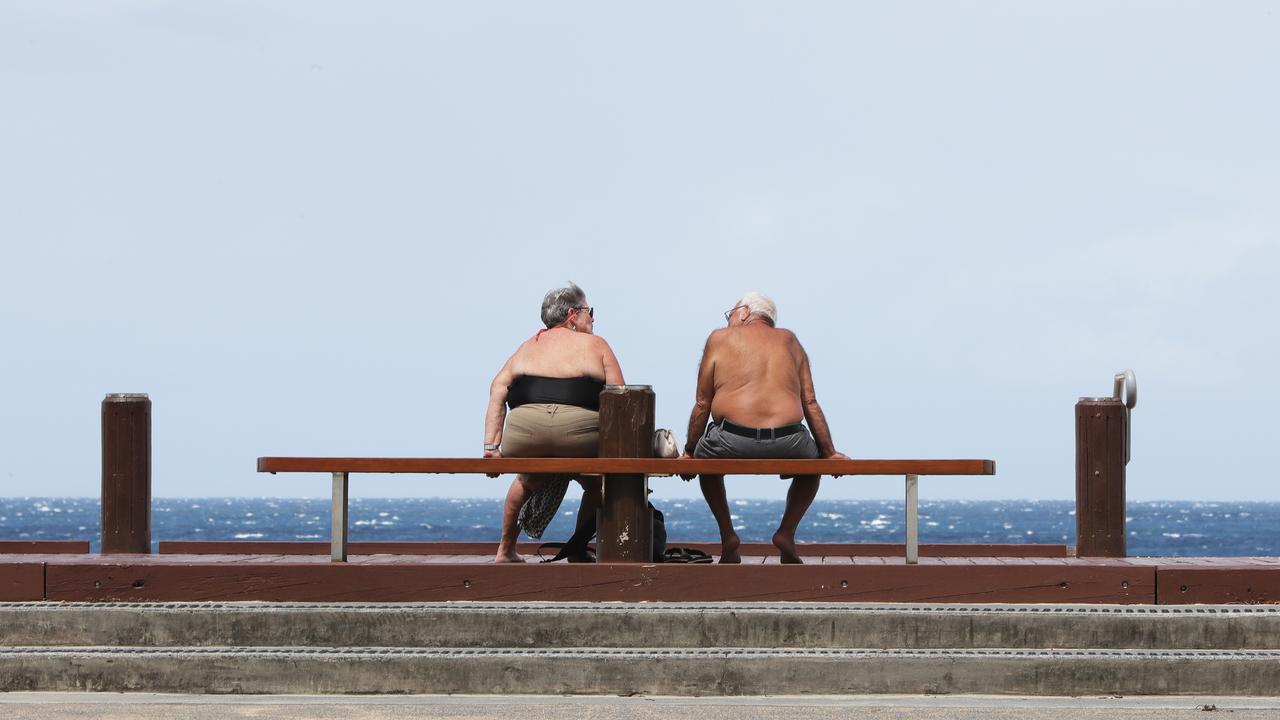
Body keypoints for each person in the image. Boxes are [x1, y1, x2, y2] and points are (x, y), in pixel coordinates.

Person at [680, 292, 847, 564]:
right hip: (789, 440)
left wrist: (689, 452)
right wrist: (829, 453)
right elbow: (810, 402)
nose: (728, 321)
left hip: (732, 439)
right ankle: (786, 533)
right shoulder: (790, 340)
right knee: (813, 465)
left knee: (704, 460)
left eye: (730, 314)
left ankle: (728, 537)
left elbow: (702, 404)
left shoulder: (719, 339)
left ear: (744, 312)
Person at [484, 283, 624, 563]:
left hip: (525, 436)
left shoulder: (527, 347)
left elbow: (498, 389)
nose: (593, 318)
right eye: (590, 311)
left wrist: (491, 446)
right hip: (580, 436)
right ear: (573, 314)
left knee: (527, 479)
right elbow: (622, 396)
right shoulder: (597, 345)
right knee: (599, 484)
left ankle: (505, 550)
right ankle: (576, 549)